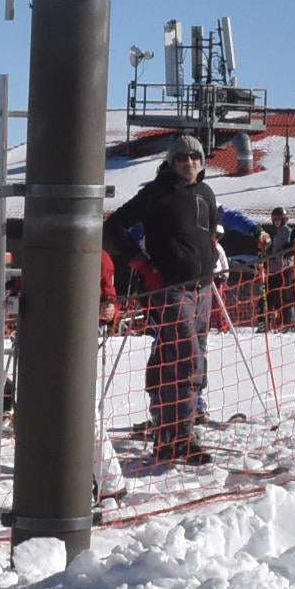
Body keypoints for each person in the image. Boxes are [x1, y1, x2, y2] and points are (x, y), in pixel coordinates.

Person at [103, 134, 223, 464]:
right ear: (171, 161)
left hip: (202, 287)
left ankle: (169, 431)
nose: (189, 163)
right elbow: (114, 227)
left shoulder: (205, 193)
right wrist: (143, 264)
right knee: (186, 358)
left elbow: (210, 232)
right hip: (170, 287)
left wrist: (211, 256)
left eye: (195, 157)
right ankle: (180, 436)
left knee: (186, 356)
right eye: (182, 158)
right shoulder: (157, 193)